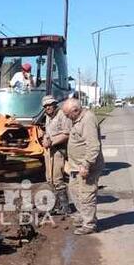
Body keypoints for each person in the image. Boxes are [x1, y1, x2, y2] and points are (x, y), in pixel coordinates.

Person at [63, 98, 104, 235]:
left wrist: (86, 164)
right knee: (74, 191)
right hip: (75, 166)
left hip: (86, 166)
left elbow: (93, 145)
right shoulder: (77, 119)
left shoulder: (88, 120)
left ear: (75, 110)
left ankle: (89, 224)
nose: (67, 117)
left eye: (68, 115)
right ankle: (84, 216)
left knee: (86, 194)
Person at [39, 95, 71, 215]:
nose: (47, 108)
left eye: (49, 105)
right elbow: (48, 132)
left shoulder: (62, 115)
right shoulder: (48, 117)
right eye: (45, 106)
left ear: (54, 104)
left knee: (57, 178)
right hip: (49, 150)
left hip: (59, 150)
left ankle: (65, 207)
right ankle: (55, 205)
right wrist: (45, 138)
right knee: (49, 179)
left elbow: (67, 134)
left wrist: (51, 141)